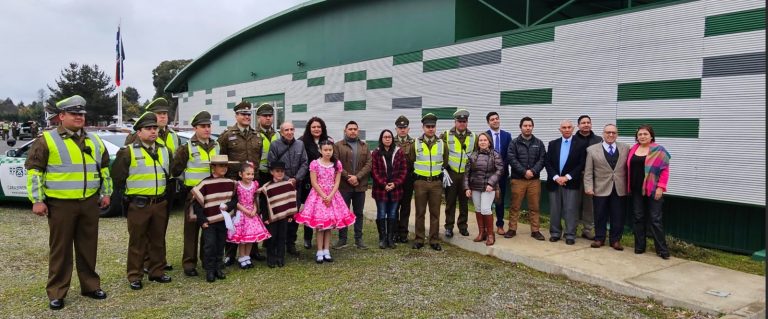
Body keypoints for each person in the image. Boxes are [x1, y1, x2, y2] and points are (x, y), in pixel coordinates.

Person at [25, 95, 112, 310]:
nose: (79, 117)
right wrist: (37, 200)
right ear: (61, 116)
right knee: (60, 250)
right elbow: (35, 172)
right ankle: (57, 292)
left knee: (88, 247)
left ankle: (90, 286)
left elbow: (104, 170)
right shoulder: (47, 140)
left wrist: (106, 193)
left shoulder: (95, 141)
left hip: (89, 202)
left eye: (81, 114)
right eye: (74, 114)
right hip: (61, 204)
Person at [112, 112, 173, 290]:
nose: (153, 131)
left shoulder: (165, 150)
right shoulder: (128, 152)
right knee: (137, 241)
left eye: (155, 128)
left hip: (159, 202)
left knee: (158, 240)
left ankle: (157, 271)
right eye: (148, 128)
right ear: (139, 132)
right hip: (139, 204)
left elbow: (169, 173)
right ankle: (135, 275)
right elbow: (118, 177)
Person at [125, 97, 180, 272]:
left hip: (165, 185)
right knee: (142, 230)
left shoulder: (172, 135)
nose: (163, 117)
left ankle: (158, 261)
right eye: (159, 114)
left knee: (159, 227)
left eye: (165, 114)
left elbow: (174, 160)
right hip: (143, 189)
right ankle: (145, 262)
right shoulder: (136, 135)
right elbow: (128, 163)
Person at [217, 101, 266, 265]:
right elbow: (222, 159)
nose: (246, 117)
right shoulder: (227, 135)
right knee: (233, 218)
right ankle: (230, 253)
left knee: (253, 216)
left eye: (248, 114)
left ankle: (252, 251)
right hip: (234, 183)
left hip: (252, 182)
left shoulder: (257, 135)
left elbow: (258, 157)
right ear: (236, 115)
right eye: (243, 114)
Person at [171, 111, 218, 277]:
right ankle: (189, 263)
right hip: (193, 194)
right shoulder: (186, 148)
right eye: (203, 126)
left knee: (209, 229)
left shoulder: (216, 145)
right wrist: (188, 185)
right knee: (191, 230)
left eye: (208, 126)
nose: (207, 129)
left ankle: (207, 260)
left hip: (212, 194)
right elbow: (176, 170)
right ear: (195, 128)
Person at [295, 140, 356, 263]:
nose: (328, 152)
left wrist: (330, 196)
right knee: (320, 226)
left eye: (330, 150)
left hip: (333, 196)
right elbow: (314, 182)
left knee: (328, 226)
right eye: (325, 150)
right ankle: (319, 250)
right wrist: (324, 196)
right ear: (320, 150)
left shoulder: (337, 164)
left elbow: (337, 182)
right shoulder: (315, 164)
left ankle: (326, 250)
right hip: (318, 197)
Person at [190, 154, 239, 282]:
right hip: (209, 222)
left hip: (223, 221)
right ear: (213, 167)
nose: (224, 168)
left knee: (220, 244)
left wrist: (228, 206)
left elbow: (235, 200)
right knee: (210, 245)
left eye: (226, 166)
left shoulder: (230, 183)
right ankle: (210, 270)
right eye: (221, 166)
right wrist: (202, 220)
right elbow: (197, 203)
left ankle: (218, 268)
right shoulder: (205, 183)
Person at [627, 124, 671, 260]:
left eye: (645, 134)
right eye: (640, 134)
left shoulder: (659, 150)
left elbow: (665, 170)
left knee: (655, 219)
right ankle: (640, 246)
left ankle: (662, 250)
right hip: (636, 190)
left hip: (653, 189)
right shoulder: (633, 149)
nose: (642, 136)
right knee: (638, 218)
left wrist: (661, 187)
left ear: (651, 136)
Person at [584, 124, 629, 251]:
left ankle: (615, 240)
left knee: (618, 215)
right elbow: (588, 171)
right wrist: (588, 187)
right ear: (603, 134)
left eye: (613, 132)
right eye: (608, 132)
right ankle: (599, 238)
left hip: (619, 188)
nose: (611, 135)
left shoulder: (625, 148)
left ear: (617, 134)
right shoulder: (592, 150)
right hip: (600, 187)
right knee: (600, 214)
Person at [267, 121, 308, 256]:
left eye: (291, 129)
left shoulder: (300, 144)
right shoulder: (275, 145)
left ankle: (291, 243)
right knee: (279, 216)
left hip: (296, 185)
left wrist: (296, 179)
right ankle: (277, 244)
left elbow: (305, 163)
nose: (289, 132)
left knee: (293, 215)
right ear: (281, 132)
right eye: (286, 130)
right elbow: (271, 164)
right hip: (280, 186)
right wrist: (286, 179)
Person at [544, 120, 587, 245]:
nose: (567, 129)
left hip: (571, 182)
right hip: (555, 182)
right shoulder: (553, 144)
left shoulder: (581, 144)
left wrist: (567, 177)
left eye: (569, 127)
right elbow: (547, 162)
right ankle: (555, 233)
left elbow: (581, 164)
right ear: (560, 130)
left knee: (570, 209)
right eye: (564, 127)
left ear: (573, 129)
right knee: (555, 210)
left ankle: (570, 234)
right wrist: (556, 177)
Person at [505, 117, 547, 241]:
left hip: (534, 180)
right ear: (521, 127)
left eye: (530, 125)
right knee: (515, 206)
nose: (528, 128)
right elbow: (511, 159)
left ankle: (535, 231)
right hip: (518, 180)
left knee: (534, 206)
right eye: (525, 126)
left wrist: (533, 171)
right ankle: (512, 229)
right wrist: (524, 172)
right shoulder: (514, 143)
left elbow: (542, 159)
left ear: (532, 127)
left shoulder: (538, 143)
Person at [407, 113, 445, 251]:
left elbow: (445, 161)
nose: (430, 129)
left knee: (435, 213)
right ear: (423, 127)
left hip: (436, 183)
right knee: (420, 212)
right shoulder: (415, 144)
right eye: (428, 126)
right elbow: (411, 161)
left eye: (433, 126)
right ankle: (419, 239)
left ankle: (434, 240)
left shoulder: (442, 144)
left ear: (435, 127)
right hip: (420, 183)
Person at [333, 121, 372, 249]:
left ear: (358, 131)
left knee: (358, 213)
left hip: (360, 186)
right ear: (345, 131)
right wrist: (348, 177)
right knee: (343, 212)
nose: (353, 131)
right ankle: (342, 239)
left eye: (355, 129)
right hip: (344, 186)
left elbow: (369, 164)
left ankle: (358, 239)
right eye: (350, 129)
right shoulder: (338, 146)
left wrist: (357, 177)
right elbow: (336, 163)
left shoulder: (364, 146)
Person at [227, 161, 272, 269]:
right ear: (240, 174)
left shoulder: (254, 184)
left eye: (252, 174)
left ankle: (247, 257)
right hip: (242, 214)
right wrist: (245, 211)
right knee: (243, 238)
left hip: (252, 213)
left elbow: (254, 199)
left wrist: (255, 209)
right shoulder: (237, 185)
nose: (250, 176)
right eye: (247, 174)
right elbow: (236, 202)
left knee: (251, 237)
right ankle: (241, 257)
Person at [298, 117, 333, 249]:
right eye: (313, 127)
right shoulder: (302, 141)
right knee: (310, 210)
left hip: (326, 183)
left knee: (324, 211)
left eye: (319, 127)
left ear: (322, 128)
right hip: (309, 181)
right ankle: (307, 238)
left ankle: (324, 238)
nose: (316, 129)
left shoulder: (328, 141)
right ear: (309, 128)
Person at [439, 109, 475, 238]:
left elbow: (475, 154)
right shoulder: (446, 135)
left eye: (464, 121)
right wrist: (443, 168)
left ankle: (463, 226)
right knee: (450, 202)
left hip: (465, 175)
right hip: (451, 173)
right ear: (455, 122)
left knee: (464, 203)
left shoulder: (473, 136)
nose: (462, 123)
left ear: (467, 122)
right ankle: (449, 227)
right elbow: (439, 151)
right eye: (459, 121)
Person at [463, 132, 503, 246]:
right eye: (480, 140)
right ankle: (482, 233)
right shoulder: (473, 155)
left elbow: (500, 170)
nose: (483, 142)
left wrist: (491, 183)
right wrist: (467, 188)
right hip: (475, 187)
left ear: (489, 142)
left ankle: (490, 234)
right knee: (478, 209)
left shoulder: (495, 154)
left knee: (486, 209)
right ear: (478, 142)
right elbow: (467, 173)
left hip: (488, 188)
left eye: (485, 140)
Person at [370, 129, 407, 249]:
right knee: (381, 212)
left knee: (392, 213)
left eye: (389, 137)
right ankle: (382, 238)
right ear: (381, 139)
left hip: (395, 189)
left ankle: (390, 238)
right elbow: (374, 171)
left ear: (392, 139)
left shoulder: (399, 152)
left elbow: (403, 170)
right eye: (385, 137)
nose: (387, 139)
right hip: (381, 189)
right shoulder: (376, 153)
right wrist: (383, 184)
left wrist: (395, 184)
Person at [259, 161, 299, 268]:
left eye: (282, 171)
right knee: (272, 238)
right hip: (271, 217)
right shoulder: (266, 187)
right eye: (277, 171)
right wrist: (266, 217)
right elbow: (264, 204)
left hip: (284, 216)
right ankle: (271, 258)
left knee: (282, 237)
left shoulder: (287, 185)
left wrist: (290, 215)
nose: (280, 173)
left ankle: (280, 258)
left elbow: (290, 200)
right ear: (271, 172)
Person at [574, 115, 603, 240]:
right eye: (583, 123)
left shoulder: (598, 140)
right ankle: (572, 228)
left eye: (588, 122)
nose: (586, 124)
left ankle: (587, 230)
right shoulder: (573, 139)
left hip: (592, 178)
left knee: (589, 205)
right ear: (578, 125)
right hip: (575, 177)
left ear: (591, 124)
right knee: (574, 203)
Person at [485, 112, 512, 236]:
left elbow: (509, 154)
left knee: (499, 199)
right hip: (488, 174)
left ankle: (500, 225)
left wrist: (500, 168)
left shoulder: (507, 136)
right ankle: (487, 226)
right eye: (492, 119)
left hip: (502, 174)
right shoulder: (485, 136)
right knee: (487, 200)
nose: (495, 121)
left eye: (497, 118)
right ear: (488, 122)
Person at [393, 115, 415, 243]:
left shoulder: (413, 143)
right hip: (395, 179)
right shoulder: (391, 142)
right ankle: (394, 232)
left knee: (406, 207)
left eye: (404, 127)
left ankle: (403, 233)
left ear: (408, 129)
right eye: (400, 128)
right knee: (395, 206)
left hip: (408, 179)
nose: (402, 130)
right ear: (396, 129)